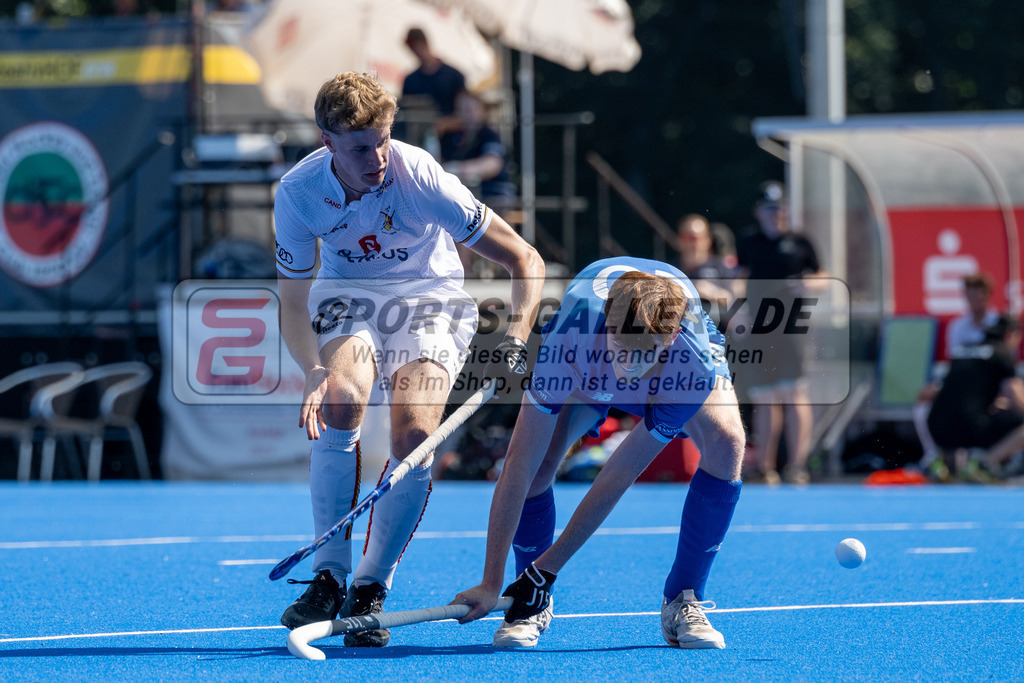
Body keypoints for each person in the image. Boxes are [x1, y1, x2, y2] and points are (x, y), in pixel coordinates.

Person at [273, 72, 545, 647]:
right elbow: (293, 302)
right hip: (348, 292)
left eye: (382, 141)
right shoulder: (298, 193)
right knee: (342, 402)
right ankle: (327, 574)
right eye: (359, 148)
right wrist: (315, 371)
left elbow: (525, 258)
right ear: (327, 143)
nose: (375, 158)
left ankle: (370, 586)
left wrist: (517, 337)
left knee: (415, 434)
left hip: (429, 296)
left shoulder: (419, 175)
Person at [451, 257, 745, 650]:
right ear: (608, 325)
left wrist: (548, 569)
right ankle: (528, 602)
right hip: (588, 358)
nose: (631, 367)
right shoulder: (567, 346)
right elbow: (517, 468)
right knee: (537, 468)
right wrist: (491, 581)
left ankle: (683, 599)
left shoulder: (691, 362)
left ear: (672, 337)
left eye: (648, 351)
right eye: (623, 346)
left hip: (665, 368)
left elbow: (618, 474)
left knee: (728, 442)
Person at [735, 181, 825, 485]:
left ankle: (797, 465)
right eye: (769, 209)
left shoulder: (801, 242)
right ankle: (766, 466)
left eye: (779, 208)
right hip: (760, 329)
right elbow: (739, 278)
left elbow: (822, 275)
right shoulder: (749, 242)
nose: (775, 215)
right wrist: (739, 310)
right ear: (759, 212)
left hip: (792, 327)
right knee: (764, 396)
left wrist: (809, 284)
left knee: (793, 392)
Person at [926, 314, 1024, 482]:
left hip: (937, 427)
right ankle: (985, 463)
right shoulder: (1001, 353)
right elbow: (1016, 397)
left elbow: (943, 391)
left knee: (962, 416)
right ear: (1011, 334)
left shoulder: (963, 350)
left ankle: (945, 464)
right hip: (970, 427)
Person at [439, 89, 515, 202]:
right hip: (461, 194)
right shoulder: (450, 137)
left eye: (469, 110)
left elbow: (492, 165)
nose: (464, 114)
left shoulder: (489, 135)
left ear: (482, 111)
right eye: (460, 109)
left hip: (492, 194)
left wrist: (456, 168)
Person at [676, 213, 740, 323]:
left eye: (696, 238)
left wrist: (712, 292)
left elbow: (735, 301)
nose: (691, 243)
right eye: (686, 237)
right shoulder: (670, 268)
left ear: (707, 240)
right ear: (679, 239)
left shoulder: (721, 267)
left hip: (714, 327)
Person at [401, 28, 467, 117]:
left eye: (418, 46)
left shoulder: (454, 76)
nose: (416, 51)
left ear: (425, 44)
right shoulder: (410, 80)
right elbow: (406, 111)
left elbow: (465, 112)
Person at [945, 272, 999, 356]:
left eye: (976, 295)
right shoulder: (957, 326)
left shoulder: (1000, 324)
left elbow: (1005, 357)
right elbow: (954, 356)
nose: (972, 300)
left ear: (987, 295)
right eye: (969, 295)